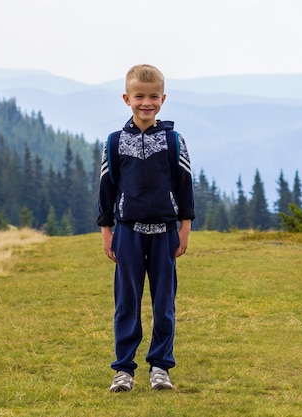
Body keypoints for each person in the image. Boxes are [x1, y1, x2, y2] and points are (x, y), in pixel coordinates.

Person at [97, 64, 195, 392]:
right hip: (127, 232)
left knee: (164, 301)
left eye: (153, 97)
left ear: (163, 99)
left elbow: (184, 186)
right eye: (139, 96)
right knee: (127, 301)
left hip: (166, 232)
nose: (146, 103)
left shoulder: (173, 141)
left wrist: (184, 228)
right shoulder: (114, 142)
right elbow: (106, 190)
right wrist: (107, 231)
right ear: (127, 98)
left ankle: (160, 367)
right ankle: (123, 369)